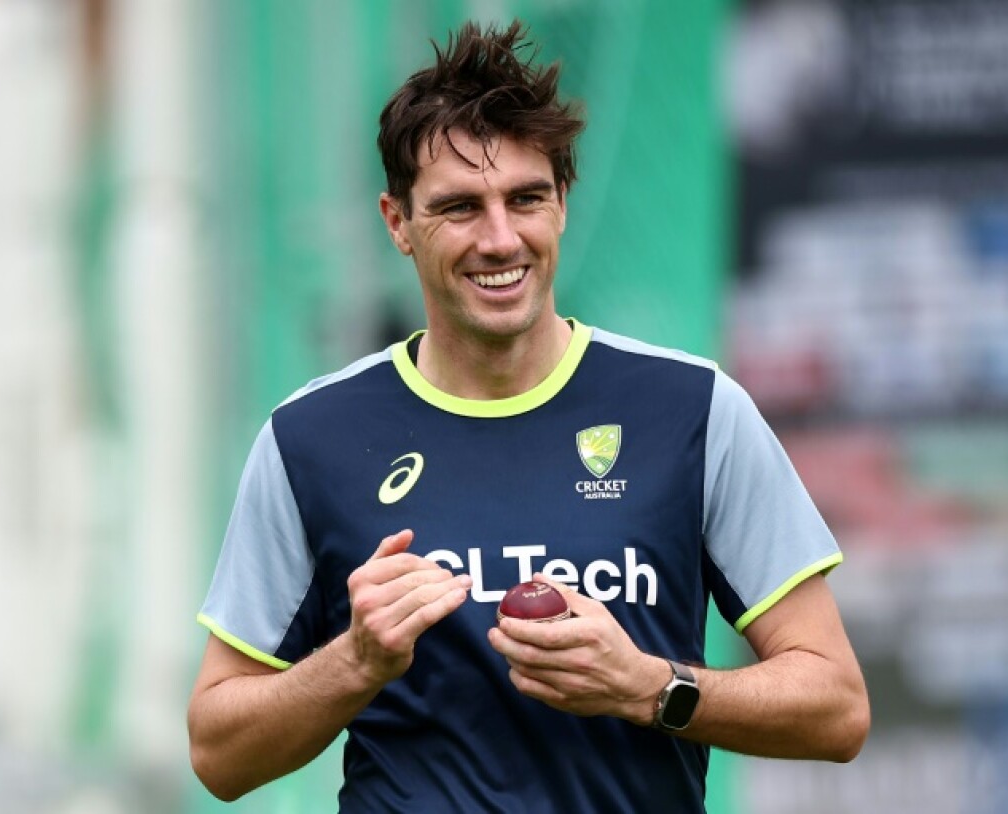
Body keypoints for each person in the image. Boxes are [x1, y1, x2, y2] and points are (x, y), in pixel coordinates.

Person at [187, 19, 869, 813]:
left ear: (563, 204)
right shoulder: (311, 439)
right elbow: (217, 753)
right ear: (397, 223)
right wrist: (354, 662)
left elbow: (837, 706)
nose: (500, 238)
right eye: (459, 208)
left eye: (526, 198)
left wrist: (646, 686)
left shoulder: (693, 410)